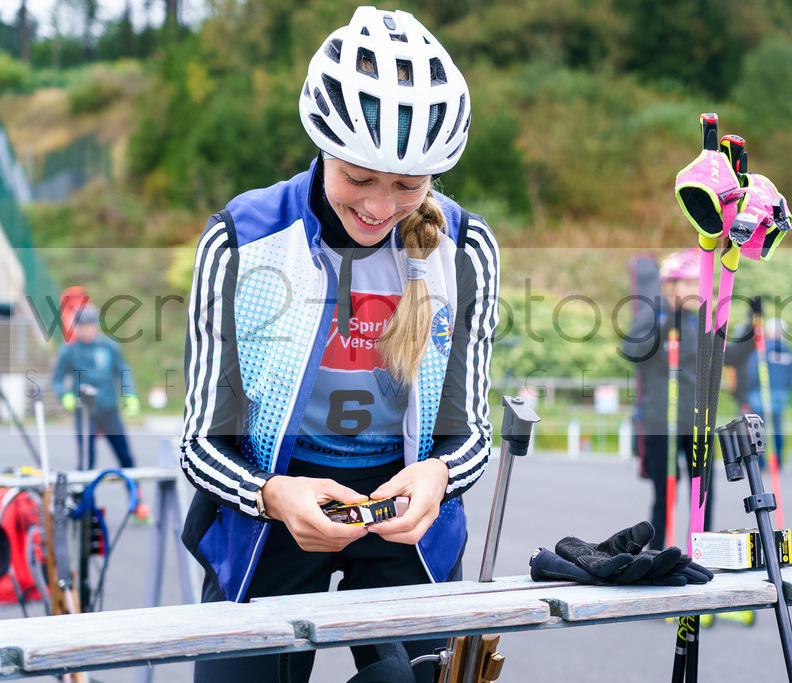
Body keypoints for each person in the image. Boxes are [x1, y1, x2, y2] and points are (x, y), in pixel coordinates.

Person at [178, 8, 498, 682]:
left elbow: (470, 434)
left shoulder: (465, 248)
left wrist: (438, 476)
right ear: (323, 145)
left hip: (405, 513)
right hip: (271, 508)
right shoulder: (240, 237)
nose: (380, 208)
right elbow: (200, 444)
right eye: (359, 178)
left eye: (407, 186)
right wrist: (271, 494)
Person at [621, 249, 702, 551]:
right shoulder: (654, 314)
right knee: (665, 493)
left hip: (694, 418)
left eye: (698, 284)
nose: (695, 290)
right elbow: (632, 351)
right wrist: (667, 325)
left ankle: (701, 552)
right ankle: (656, 554)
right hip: (661, 418)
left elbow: (718, 359)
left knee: (702, 493)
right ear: (671, 285)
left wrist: (750, 332)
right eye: (689, 284)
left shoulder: (695, 320)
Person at [51, 303, 140, 470]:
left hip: (109, 408)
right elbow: (57, 378)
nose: (87, 330)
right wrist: (64, 395)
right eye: (83, 326)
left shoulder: (109, 346)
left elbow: (123, 371)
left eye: (90, 325)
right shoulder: (69, 350)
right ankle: (85, 488)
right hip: (84, 411)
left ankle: (133, 485)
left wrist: (129, 394)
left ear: (96, 326)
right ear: (77, 327)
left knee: (124, 455)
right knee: (87, 459)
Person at [744, 317, 792, 468]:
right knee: (777, 427)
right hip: (780, 393)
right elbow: (791, 376)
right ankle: (777, 461)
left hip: (760, 392)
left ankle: (759, 462)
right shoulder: (788, 351)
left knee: (757, 427)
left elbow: (752, 372)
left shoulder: (763, 349)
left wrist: (748, 390)